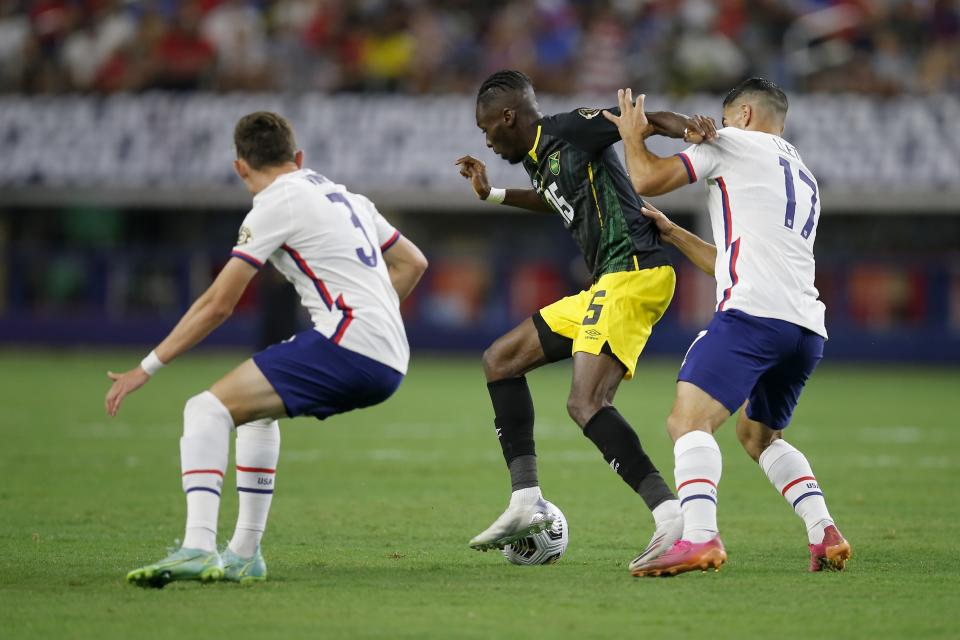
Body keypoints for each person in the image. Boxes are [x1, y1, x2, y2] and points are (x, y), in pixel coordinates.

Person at [105, 111, 428, 587]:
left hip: (351, 345)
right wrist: (374, 316)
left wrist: (146, 368)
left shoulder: (275, 203)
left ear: (240, 167)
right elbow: (413, 262)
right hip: (391, 356)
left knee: (205, 409)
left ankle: (197, 545)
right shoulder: (347, 196)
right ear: (298, 157)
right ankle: (243, 554)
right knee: (254, 412)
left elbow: (218, 304)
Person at [455, 70, 716, 567]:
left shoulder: (568, 127)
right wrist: (491, 195)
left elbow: (639, 121)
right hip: (606, 283)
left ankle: (671, 516)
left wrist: (688, 131)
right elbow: (552, 199)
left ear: (508, 116)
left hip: (634, 270)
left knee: (586, 401)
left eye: (486, 128)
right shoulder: (537, 157)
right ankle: (525, 500)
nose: (485, 140)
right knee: (501, 359)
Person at [603, 78, 852, 576]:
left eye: (723, 118)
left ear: (742, 114)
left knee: (687, 422)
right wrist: (674, 234)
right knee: (759, 437)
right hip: (803, 328)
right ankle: (824, 530)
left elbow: (646, 178)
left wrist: (633, 135)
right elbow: (735, 259)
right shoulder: (802, 174)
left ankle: (699, 538)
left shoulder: (735, 144)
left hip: (752, 317)